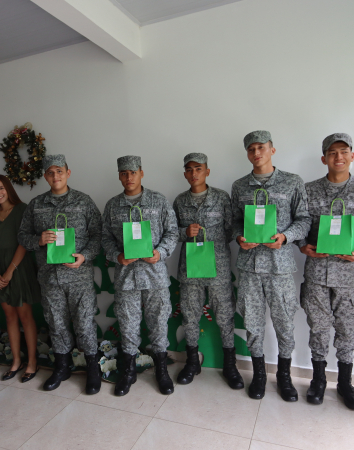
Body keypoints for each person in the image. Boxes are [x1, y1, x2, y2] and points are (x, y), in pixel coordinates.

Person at [297, 134, 354, 408]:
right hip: (317, 273)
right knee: (318, 328)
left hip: (349, 275)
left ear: (352, 156)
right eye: (332, 153)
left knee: (346, 330)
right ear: (324, 159)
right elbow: (298, 223)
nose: (338, 157)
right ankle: (318, 380)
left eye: (344, 152)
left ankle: (345, 383)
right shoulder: (308, 190)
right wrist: (302, 245)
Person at [232, 131, 311, 402]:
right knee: (253, 323)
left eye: (261, 147)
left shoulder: (292, 182)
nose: (257, 153)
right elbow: (233, 222)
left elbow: (304, 219)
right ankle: (259, 375)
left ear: (272, 150)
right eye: (251, 149)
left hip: (280, 265)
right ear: (247, 153)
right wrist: (239, 237)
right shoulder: (240, 186)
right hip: (250, 266)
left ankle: (285, 377)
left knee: (284, 322)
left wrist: (286, 236)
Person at [18, 155, 103, 394]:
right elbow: (22, 236)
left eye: (59, 171)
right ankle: (62, 366)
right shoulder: (36, 204)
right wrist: (38, 239)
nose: (55, 176)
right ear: (45, 176)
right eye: (50, 172)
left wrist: (85, 256)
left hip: (79, 276)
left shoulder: (83, 201)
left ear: (68, 172)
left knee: (85, 324)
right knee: (55, 323)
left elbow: (98, 235)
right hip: (50, 277)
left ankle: (93, 369)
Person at [102, 155, 179, 396]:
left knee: (158, 323)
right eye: (124, 173)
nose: (128, 177)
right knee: (128, 325)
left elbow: (172, 232)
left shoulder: (158, 200)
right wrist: (117, 256)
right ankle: (128, 370)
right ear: (119, 176)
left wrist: (161, 252)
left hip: (154, 275)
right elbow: (105, 238)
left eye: (133, 172)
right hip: (126, 277)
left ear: (141, 173)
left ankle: (161, 370)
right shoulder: (112, 205)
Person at [172, 153, 243, 390]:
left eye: (199, 169)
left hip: (218, 269)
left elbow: (232, 228)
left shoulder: (222, 197)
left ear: (207, 172)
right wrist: (185, 233)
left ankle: (230, 366)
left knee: (224, 316)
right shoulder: (180, 201)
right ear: (185, 173)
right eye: (189, 170)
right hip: (190, 269)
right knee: (190, 316)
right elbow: (172, 232)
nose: (194, 174)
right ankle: (192, 363)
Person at [0, 174, 41, 383]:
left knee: (25, 316)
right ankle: (16, 361)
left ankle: (32, 362)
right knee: (9, 317)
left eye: (1, 188)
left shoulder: (22, 210)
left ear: (8, 189)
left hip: (19, 267)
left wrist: (9, 271)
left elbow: (24, 243)